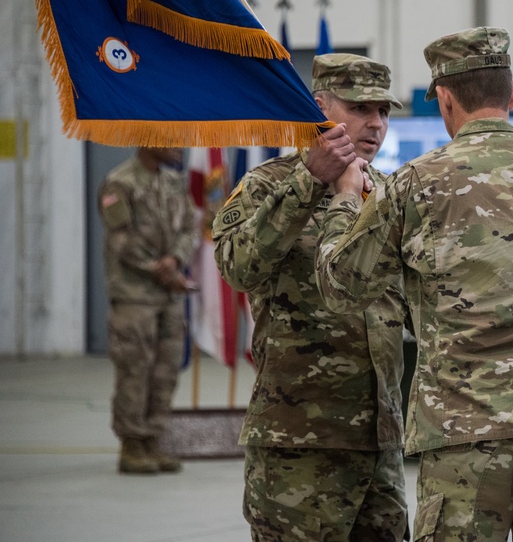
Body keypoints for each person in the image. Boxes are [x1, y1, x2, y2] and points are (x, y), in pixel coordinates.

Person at [314, 27, 513, 541]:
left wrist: (346, 199)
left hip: (465, 431)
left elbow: (342, 287)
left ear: (446, 99)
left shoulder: (414, 182)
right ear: (512, 94)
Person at [212, 53, 408, 541]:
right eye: (361, 107)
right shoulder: (267, 185)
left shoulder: (388, 193)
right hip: (298, 441)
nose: (376, 123)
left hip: (380, 443)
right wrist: (311, 181)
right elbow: (238, 267)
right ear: (319, 107)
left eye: (383, 111)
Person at [98, 146, 199, 474]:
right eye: (170, 139)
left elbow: (189, 227)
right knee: (135, 369)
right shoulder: (119, 182)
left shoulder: (174, 182)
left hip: (168, 295)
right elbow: (121, 241)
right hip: (134, 294)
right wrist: (164, 270)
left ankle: (153, 439)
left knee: (165, 370)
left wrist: (176, 260)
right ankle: (131, 444)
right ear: (148, 141)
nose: (178, 146)